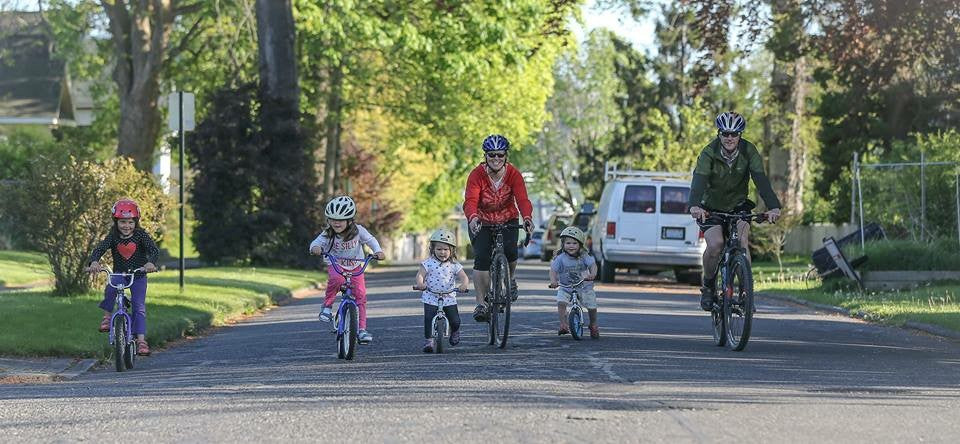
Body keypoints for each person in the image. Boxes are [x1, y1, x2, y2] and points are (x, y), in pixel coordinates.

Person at [688, 111, 782, 311]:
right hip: (711, 206)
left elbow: (761, 181)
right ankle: (708, 286)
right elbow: (699, 181)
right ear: (719, 134)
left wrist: (774, 206)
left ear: (740, 135)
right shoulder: (708, 153)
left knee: (741, 241)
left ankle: (746, 291)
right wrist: (694, 205)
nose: (729, 138)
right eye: (725, 133)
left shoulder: (749, 151)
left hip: (738, 205)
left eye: (734, 134)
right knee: (716, 245)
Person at [463, 134, 534, 322]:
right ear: (485, 156)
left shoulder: (513, 174)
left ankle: (510, 280)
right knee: (482, 258)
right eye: (492, 155)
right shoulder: (477, 174)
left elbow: (522, 199)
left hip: (507, 218)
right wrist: (472, 218)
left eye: (500, 155)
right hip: (482, 219)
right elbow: (470, 201)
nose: (496, 159)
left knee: (511, 251)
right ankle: (481, 304)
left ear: (506, 156)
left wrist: (527, 218)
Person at [85, 199, 159, 356]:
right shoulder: (113, 236)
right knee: (111, 289)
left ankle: (141, 340)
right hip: (119, 273)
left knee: (139, 307)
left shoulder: (140, 235)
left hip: (138, 275)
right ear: (116, 222)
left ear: (136, 222)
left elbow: (153, 250)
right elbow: (99, 249)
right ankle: (107, 317)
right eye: (123, 222)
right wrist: (94, 262)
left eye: (130, 222)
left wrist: (150, 263)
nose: (127, 226)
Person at [309, 195, 386, 344]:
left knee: (361, 295)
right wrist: (316, 248)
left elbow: (371, 240)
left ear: (350, 220)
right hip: (336, 264)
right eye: (332, 219)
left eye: (340, 220)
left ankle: (362, 330)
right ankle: (327, 306)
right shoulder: (327, 234)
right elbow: (315, 243)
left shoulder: (358, 231)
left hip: (355, 265)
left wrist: (378, 251)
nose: (336, 223)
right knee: (336, 280)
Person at [414, 228, 470, 352]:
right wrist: (420, 283)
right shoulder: (427, 263)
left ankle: (454, 331)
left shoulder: (454, 265)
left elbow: (464, 277)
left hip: (449, 297)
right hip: (431, 296)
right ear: (432, 249)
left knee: (455, 321)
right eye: (439, 249)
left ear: (452, 250)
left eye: (446, 249)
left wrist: (464, 285)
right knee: (428, 318)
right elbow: (420, 275)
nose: (442, 252)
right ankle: (429, 341)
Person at [548, 226, 600, 339]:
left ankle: (593, 324)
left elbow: (593, 265)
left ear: (580, 244)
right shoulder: (560, 258)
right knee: (561, 302)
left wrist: (593, 274)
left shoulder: (584, 256)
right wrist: (553, 281)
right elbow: (553, 270)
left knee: (592, 306)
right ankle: (563, 324)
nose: (571, 246)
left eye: (574, 243)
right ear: (563, 244)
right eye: (568, 243)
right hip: (566, 287)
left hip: (584, 287)